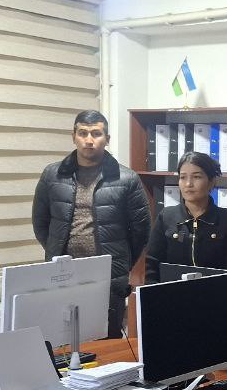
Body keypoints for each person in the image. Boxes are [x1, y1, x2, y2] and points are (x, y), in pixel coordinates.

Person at [32, 110, 150, 338]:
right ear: (73, 136)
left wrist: (121, 262)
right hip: (62, 273)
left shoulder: (127, 179)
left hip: (108, 277)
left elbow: (141, 231)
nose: (89, 140)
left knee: (107, 340)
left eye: (96, 133)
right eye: (83, 133)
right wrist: (55, 250)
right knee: (62, 340)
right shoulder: (52, 175)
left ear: (107, 139)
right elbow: (40, 223)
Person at [145, 152, 227, 283]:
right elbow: (152, 266)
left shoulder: (226, 219)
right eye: (183, 177)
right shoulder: (166, 217)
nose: (188, 184)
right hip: (171, 293)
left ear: (211, 182)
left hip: (214, 293)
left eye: (196, 177)